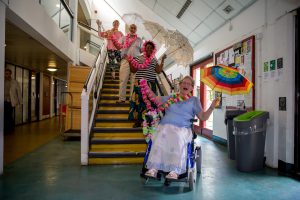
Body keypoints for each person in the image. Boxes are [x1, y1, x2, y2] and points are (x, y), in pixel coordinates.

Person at [144, 75, 220, 179]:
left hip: (182, 128)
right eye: (183, 83)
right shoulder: (171, 97)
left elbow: (203, 117)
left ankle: (175, 170)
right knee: (160, 136)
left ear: (192, 88)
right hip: (165, 126)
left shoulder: (194, 100)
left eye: (189, 84)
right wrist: (146, 87)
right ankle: (153, 168)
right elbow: (155, 98)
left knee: (177, 137)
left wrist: (212, 106)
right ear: (179, 85)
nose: (186, 85)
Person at [128, 40, 167, 128]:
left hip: (151, 84)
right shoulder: (139, 58)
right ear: (145, 48)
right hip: (140, 84)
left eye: (151, 48)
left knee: (151, 104)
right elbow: (133, 70)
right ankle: (138, 121)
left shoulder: (154, 60)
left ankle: (149, 122)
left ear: (153, 50)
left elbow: (158, 71)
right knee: (139, 103)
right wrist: (130, 61)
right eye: (148, 47)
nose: (149, 49)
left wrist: (163, 60)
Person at [112, 24, 143, 104]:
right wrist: (112, 39)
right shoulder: (123, 38)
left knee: (134, 81)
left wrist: (147, 47)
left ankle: (132, 99)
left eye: (134, 28)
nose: (133, 29)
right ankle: (122, 99)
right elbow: (118, 47)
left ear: (136, 29)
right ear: (129, 29)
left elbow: (142, 51)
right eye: (131, 28)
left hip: (135, 61)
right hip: (125, 60)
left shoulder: (139, 40)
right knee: (123, 79)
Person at [4, 68, 22, 133]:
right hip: (3, 101)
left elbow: (19, 92)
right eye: (5, 74)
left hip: (11, 101)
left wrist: (20, 102)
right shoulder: (2, 81)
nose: (6, 75)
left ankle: (10, 129)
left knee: (8, 115)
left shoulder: (14, 82)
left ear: (10, 74)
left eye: (8, 74)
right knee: (4, 115)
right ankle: (5, 129)